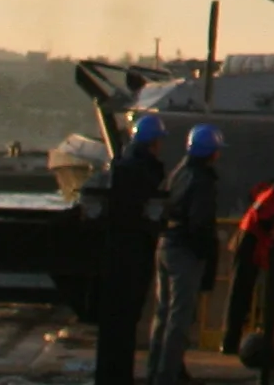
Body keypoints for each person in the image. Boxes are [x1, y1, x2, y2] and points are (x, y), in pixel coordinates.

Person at [92, 114, 165, 385]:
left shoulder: (125, 166)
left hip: (121, 252)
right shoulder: (140, 171)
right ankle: (117, 377)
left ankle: (113, 376)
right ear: (153, 142)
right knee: (123, 320)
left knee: (116, 323)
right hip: (130, 254)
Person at [145, 125, 219, 385]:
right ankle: (167, 376)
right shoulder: (202, 180)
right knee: (179, 318)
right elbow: (200, 223)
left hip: (166, 244)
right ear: (212, 153)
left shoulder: (179, 171)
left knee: (163, 314)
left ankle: (155, 370)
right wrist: (205, 255)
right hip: (185, 251)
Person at [220, 154, 274, 356]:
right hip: (251, 241)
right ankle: (230, 342)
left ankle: (231, 340)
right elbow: (265, 218)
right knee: (241, 292)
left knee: (241, 292)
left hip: (249, 239)